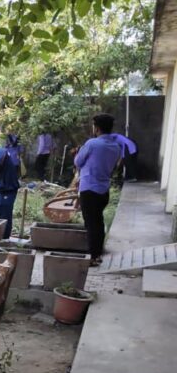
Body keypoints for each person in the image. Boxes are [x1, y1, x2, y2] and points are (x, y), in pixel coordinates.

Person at [74, 114, 124, 266]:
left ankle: (93, 256)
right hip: (103, 190)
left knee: (91, 223)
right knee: (98, 222)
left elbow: (78, 161)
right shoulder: (116, 147)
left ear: (97, 128)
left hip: (89, 189)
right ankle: (97, 254)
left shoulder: (92, 144)